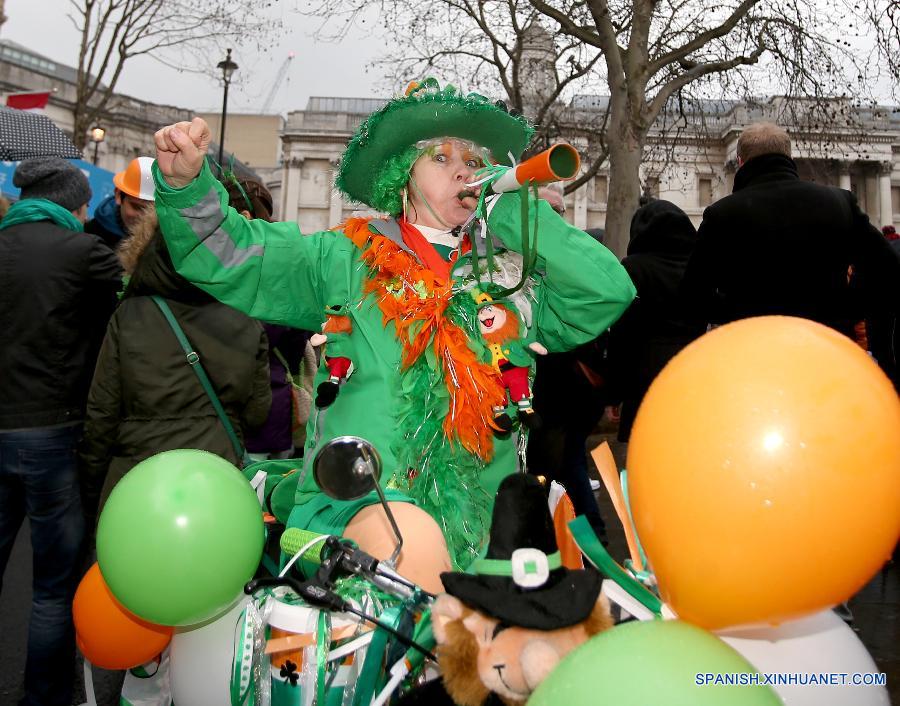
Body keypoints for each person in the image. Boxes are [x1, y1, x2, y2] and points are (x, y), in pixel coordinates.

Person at [152, 78, 635, 590]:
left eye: (474, 163)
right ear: (402, 177)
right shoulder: (344, 257)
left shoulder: (509, 278)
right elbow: (226, 252)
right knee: (408, 558)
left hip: (482, 540)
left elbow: (606, 292)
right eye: (443, 159)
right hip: (367, 518)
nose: (464, 172)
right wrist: (187, 186)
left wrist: (517, 214)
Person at [0, 157, 121, 706]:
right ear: (71, 203)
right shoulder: (83, 253)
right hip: (53, 431)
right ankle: (42, 696)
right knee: (52, 586)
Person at [79, 210, 271, 525]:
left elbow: (102, 413)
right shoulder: (245, 320)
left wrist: (91, 484)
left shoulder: (129, 316)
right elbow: (256, 413)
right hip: (215, 475)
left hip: (138, 476)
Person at [681, 122, 900, 349]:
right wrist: (845, 307)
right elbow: (886, 268)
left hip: (752, 348)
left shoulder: (721, 215)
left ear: (740, 162)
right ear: (789, 156)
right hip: (827, 347)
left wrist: (737, 313)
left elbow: (693, 296)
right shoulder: (839, 203)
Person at [219, 174, 314, 460]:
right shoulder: (285, 264)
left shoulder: (249, 268)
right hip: (271, 408)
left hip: (256, 413)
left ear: (245, 216)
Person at [606, 199, 706, 441]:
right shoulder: (699, 266)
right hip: (693, 369)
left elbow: (622, 334)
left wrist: (614, 394)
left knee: (646, 449)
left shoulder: (634, 268)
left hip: (645, 375)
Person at [85, 156, 155, 249]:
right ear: (118, 195)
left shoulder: (169, 242)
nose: (142, 216)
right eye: (136, 207)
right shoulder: (91, 234)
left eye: (149, 210)